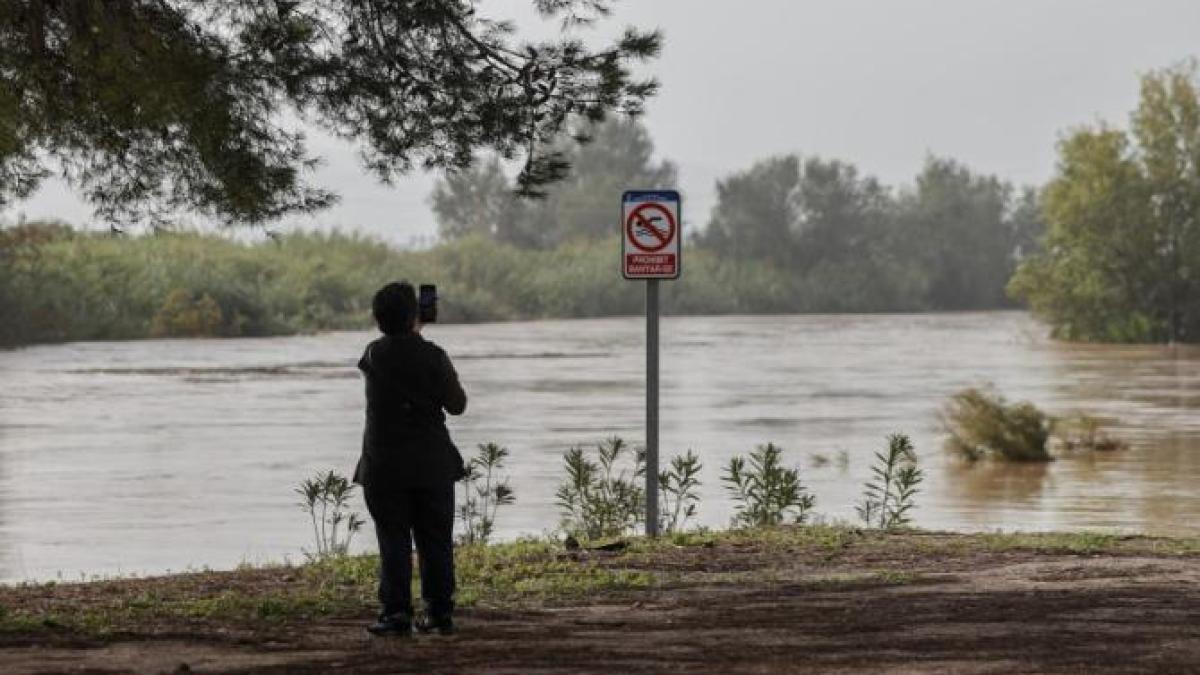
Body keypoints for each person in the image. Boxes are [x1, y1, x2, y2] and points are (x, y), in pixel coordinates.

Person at [353, 281, 467, 636]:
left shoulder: (373, 356)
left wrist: (410, 327)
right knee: (435, 541)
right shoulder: (434, 356)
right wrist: (418, 332)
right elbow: (457, 405)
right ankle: (439, 612)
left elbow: (395, 347)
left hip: (383, 468)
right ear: (415, 315)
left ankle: (396, 613)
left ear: (377, 319)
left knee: (393, 541)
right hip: (431, 465)